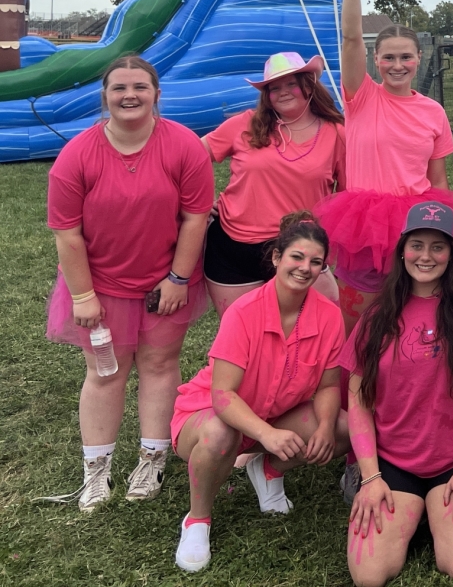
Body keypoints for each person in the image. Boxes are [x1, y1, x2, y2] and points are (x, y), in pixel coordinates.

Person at [46, 55, 213, 512]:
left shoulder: (184, 146)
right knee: (105, 373)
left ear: (157, 93)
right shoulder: (77, 154)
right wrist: (83, 295)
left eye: (140, 86)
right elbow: (66, 232)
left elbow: (196, 217)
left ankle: (151, 460)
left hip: (166, 283)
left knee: (160, 366)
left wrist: (178, 278)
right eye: (119, 87)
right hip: (99, 288)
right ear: (106, 96)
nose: (130, 95)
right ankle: (96, 471)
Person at [342, 201, 453, 587]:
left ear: (452, 254)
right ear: (402, 248)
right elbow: (357, 397)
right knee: (369, 576)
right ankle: (415, 510)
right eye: (417, 244)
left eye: (438, 246)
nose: (426, 256)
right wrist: (370, 477)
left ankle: (429, 512)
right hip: (393, 462)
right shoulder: (379, 313)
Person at [172, 212, 349, 572]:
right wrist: (267, 434)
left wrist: (326, 426)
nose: (305, 268)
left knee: (345, 428)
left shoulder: (329, 316)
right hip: (210, 416)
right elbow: (222, 396)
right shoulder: (244, 312)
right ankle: (198, 519)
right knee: (222, 433)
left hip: (274, 416)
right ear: (276, 258)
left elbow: (330, 385)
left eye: (316, 262)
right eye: (297, 257)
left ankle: (268, 470)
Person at [316, 0, 453, 337]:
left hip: (416, 226)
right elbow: (349, 37)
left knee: (411, 323)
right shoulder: (360, 97)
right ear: (376, 61)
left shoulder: (433, 112)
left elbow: (437, 180)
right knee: (357, 328)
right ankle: (353, 396)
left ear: (418, 59)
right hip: (362, 226)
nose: (398, 65)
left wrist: (446, 229)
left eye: (406, 57)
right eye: (389, 57)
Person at [202, 52, 346, 316]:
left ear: (309, 84)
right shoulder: (244, 124)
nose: (283, 92)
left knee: (313, 334)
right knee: (243, 338)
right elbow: (189, 159)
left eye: (291, 83)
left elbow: (346, 198)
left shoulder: (336, 132)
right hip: (232, 248)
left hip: (298, 247)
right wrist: (198, 202)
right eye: (274, 87)